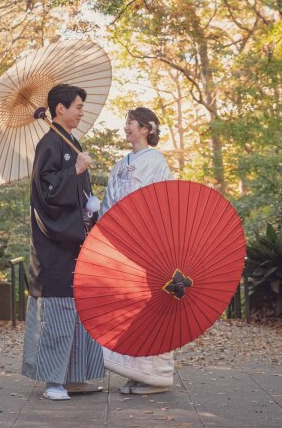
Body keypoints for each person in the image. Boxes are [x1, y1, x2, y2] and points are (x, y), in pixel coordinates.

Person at [21, 83, 105, 401]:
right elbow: (46, 195)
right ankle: (53, 381)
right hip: (54, 247)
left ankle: (74, 376)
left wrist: (92, 206)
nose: (82, 112)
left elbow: (79, 194)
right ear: (61, 109)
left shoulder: (70, 141)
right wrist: (74, 171)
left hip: (77, 243)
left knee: (79, 309)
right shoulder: (49, 144)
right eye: (78, 106)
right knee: (58, 310)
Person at [99, 107, 175, 395]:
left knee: (149, 307)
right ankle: (135, 372)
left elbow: (164, 201)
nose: (126, 127)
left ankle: (155, 375)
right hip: (122, 242)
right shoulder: (119, 165)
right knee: (126, 307)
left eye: (130, 122)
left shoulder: (156, 161)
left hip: (147, 242)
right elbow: (109, 203)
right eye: (126, 122)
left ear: (146, 128)